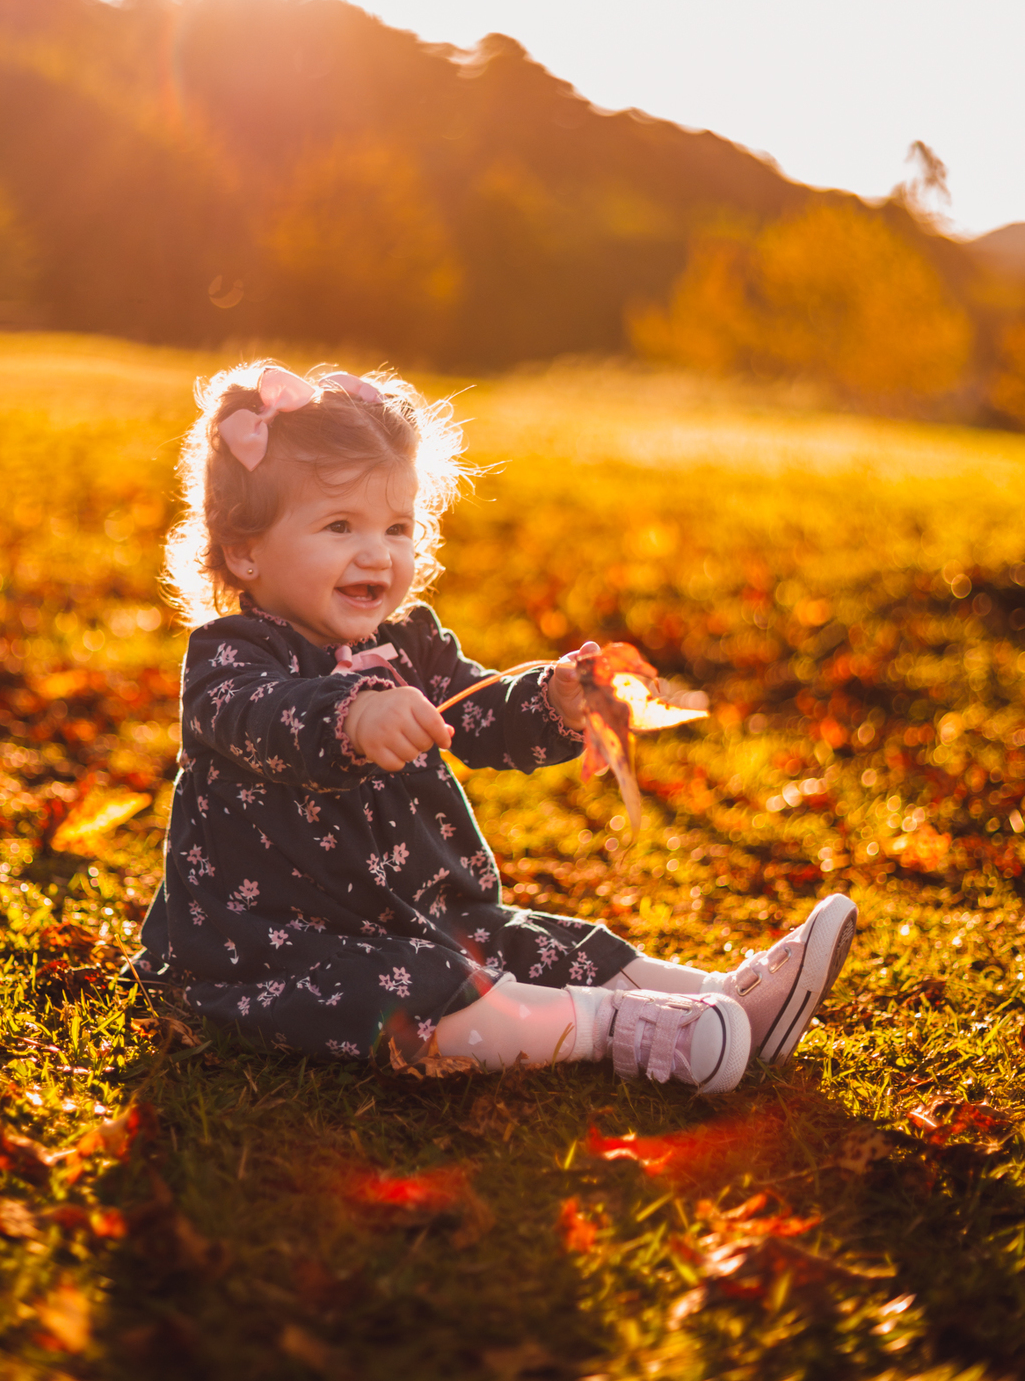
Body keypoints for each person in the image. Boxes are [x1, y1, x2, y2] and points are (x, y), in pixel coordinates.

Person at [129, 363, 856, 1092]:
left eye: (397, 526)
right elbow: (263, 720)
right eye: (339, 525)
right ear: (245, 548)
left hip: (418, 912)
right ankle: (618, 1029)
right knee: (429, 991)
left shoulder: (409, 644)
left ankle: (724, 999)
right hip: (273, 953)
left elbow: (480, 709)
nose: (377, 552)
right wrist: (352, 717)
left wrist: (552, 700)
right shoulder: (231, 655)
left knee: (534, 942)